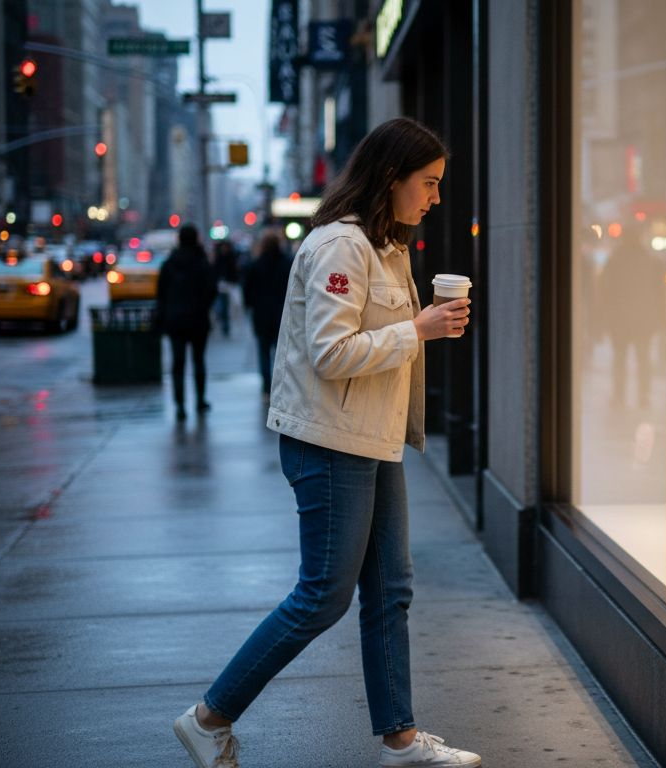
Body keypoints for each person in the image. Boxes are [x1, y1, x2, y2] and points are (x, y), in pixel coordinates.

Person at [172, 117, 480, 768]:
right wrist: (418, 329)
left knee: (390, 589)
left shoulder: (387, 248)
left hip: (371, 440)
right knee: (322, 596)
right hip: (331, 443)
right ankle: (208, 718)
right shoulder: (341, 247)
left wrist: (423, 327)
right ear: (391, 178)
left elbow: (377, 342)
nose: (436, 197)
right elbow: (332, 353)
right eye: (428, 183)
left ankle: (399, 740)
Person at [156, 224, 217, 421]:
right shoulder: (202, 263)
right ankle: (200, 400)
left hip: (175, 321)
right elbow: (211, 290)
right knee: (199, 361)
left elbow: (161, 295)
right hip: (198, 320)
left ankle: (180, 405)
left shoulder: (168, 264)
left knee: (178, 364)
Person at [241, 229, 292, 398]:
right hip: (282, 314)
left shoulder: (255, 265)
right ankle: (281, 385)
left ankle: (266, 386)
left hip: (261, 314)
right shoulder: (287, 263)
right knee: (281, 352)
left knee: (263, 351)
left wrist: (250, 306)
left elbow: (247, 291)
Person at [212, 239, 240, 337]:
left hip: (229, 284)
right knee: (223, 306)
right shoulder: (220, 258)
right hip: (221, 285)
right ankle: (225, 325)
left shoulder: (230, 257)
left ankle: (226, 324)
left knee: (228, 306)